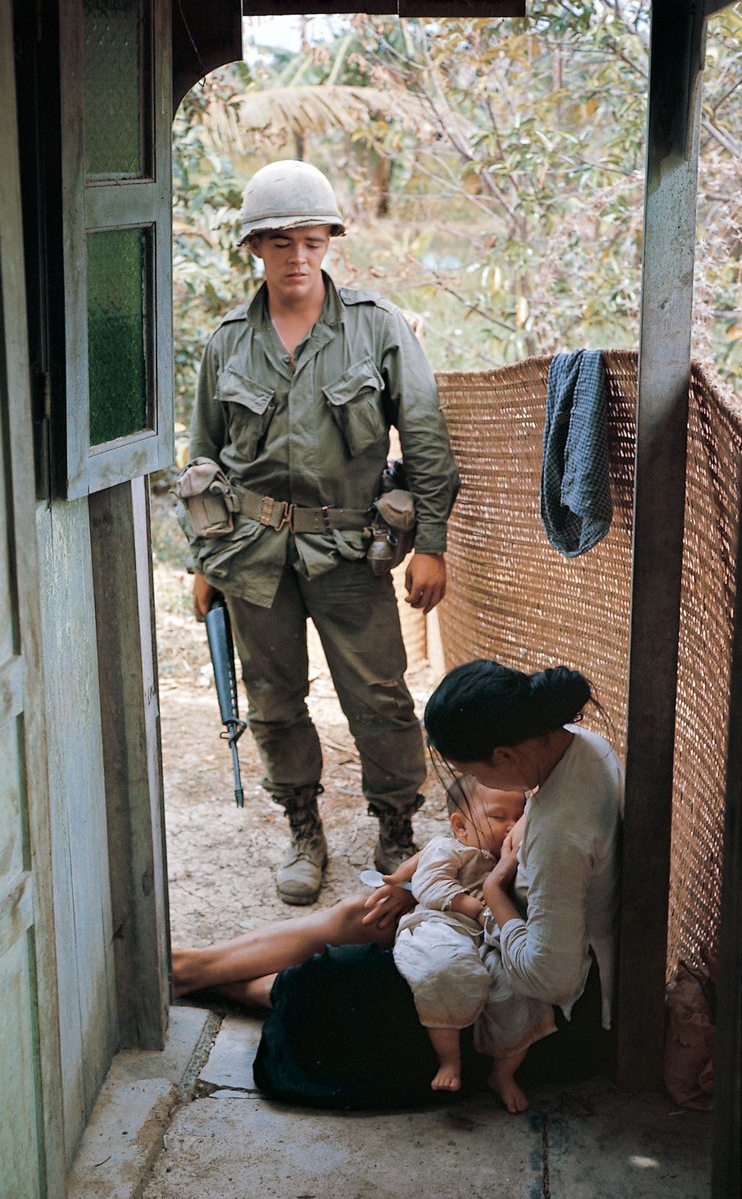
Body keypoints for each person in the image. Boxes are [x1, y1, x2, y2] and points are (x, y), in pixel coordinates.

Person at [180, 158, 459, 905]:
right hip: (253, 555)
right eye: (279, 244)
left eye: (310, 241)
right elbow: (203, 459)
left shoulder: (377, 329)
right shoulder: (226, 343)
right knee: (272, 700)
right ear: (254, 250)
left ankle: (396, 827)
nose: (297, 258)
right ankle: (304, 829)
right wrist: (202, 560)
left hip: (348, 549)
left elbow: (426, 440)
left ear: (329, 242)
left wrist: (429, 543)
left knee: (378, 695)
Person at [173, 658, 623, 1108]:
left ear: (504, 755)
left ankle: (213, 983)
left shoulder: (560, 831)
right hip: (507, 928)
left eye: (478, 775)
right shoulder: (575, 744)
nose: (483, 787)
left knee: (335, 981)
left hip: (552, 1005)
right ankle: (188, 967)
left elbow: (551, 980)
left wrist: (488, 895)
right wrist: (417, 888)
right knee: (366, 912)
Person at [392, 780, 556, 1109]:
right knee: (446, 967)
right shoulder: (447, 848)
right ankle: (449, 1059)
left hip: (490, 939)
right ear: (460, 825)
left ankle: (503, 1073)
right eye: (498, 817)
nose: (512, 825)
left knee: (516, 988)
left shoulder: (515, 860)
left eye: (520, 816)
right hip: (443, 925)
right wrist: (478, 911)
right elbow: (431, 885)